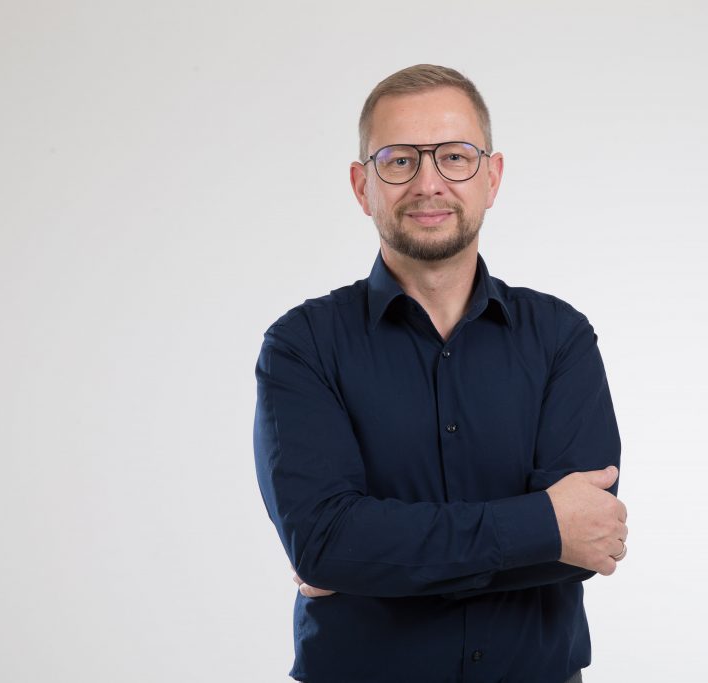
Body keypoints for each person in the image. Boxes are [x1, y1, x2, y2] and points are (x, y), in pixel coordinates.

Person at [253, 64, 627, 683]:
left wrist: (373, 557)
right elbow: (324, 544)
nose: (428, 183)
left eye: (454, 157)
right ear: (362, 186)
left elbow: (586, 542)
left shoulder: (561, 337)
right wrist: (541, 527)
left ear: (492, 177)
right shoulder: (303, 346)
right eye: (399, 161)